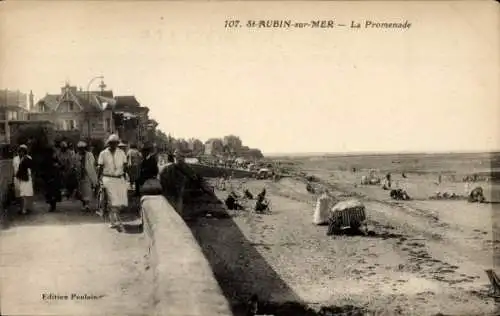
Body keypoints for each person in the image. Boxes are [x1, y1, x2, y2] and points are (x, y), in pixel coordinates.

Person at [97, 134, 129, 231]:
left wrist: (126, 175)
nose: (114, 145)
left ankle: (113, 220)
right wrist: (99, 179)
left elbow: (125, 165)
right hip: (108, 179)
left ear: (117, 143)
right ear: (108, 143)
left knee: (120, 202)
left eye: (115, 143)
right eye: (112, 143)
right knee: (112, 201)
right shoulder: (103, 153)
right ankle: (116, 221)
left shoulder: (121, 153)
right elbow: (100, 167)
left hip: (120, 179)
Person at [75, 141, 98, 212]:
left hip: (87, 175)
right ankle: (84, 204)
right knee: (81, 190)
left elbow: (92, 164)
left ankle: (87, 205)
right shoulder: (77, 155)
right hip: (79, 175)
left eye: (82, 148)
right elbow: (75, 164)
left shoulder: (89, 155)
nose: (81, 149)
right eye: (79, 148)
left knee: (87, 190)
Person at [13, 144, 34, 214]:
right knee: (19, 194)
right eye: (20, 151)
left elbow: (30, 169)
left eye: (23, 151)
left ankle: (26, 208)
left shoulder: (28, 158)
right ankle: (21, 208)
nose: (21, 153)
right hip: (17, 178)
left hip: (26, 178)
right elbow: (14, 169)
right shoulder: (15, 159)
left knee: (26, 194)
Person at [43, 146, 63, 212]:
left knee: (53, 193)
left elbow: (61, 166)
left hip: (53, 178)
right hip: (51, 178)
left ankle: (53, 206)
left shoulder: (52, 159)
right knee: (51, 193)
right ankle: (52, 206)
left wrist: (58, 165)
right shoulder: (47, 160)